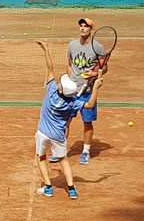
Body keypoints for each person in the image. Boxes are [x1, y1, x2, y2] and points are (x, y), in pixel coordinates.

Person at [34, 40, 103, 199]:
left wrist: (46, 49)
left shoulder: (51, 91)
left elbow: (50, 68)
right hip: (58, 136)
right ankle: (71, 189)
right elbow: (91, 104)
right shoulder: (73, 103)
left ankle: (48, 187)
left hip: (43, 134)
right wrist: (97, 88)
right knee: (63, 160)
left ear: (60, 88)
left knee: (41, 158)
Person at [49, 18, 107, 165]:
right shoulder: (72, 45)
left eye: (86, 27)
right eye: (81, 26)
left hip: (87, 91)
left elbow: (104, 67)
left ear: (91, 30)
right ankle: (60, 151)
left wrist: (94, 75)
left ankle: (86, 152)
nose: (82, 29)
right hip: (72, 92)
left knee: (87, 122)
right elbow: (69, 64)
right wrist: (69, 82)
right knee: (65, 121)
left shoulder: (98, 47)